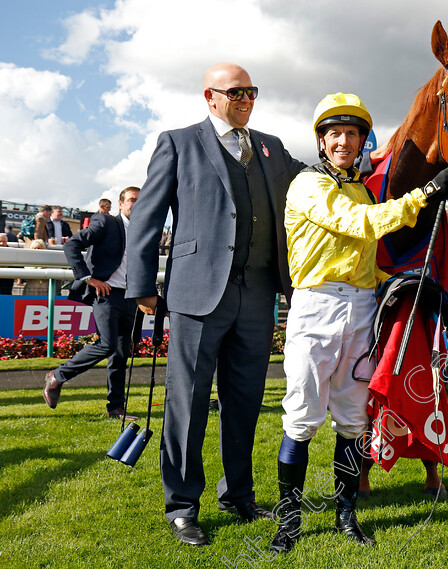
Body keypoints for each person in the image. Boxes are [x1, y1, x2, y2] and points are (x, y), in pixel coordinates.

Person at [271, 92, 448, 554]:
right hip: (315, 309)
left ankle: (345, 515)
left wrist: (401, 280)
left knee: (353, 420)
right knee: (301, 418)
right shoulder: (309, 186)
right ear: (321, 140)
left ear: (361, 142)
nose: (343, 142)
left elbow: (362, 258)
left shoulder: (357, 185)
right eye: (334, 133)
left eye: (351, 134)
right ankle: (289, 523)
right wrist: (428, 192)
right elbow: (362, 224)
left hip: (359, 308)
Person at [125, 62, 306, 547]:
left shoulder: (272, 147)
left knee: (244, 401)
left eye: (252, 91)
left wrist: (369, 163)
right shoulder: (178, 142)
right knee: (187, 404)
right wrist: (142, 281)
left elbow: (313, 184)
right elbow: (147, 214)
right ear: (210, 96)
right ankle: (182, 506)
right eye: (236, 92)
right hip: (196, 294)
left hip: (258, 293)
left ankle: (239, 495)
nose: (246, 99)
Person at [42, 187, 141, 419]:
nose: (136, 205)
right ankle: (57, 376)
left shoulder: (145, 230)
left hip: (131, 297)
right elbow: (72, 245)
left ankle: (115, 408)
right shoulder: (105, 221)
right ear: (120, 204)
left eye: (141, 201)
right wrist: (88, 278)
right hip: (106, 294)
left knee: (121, 353)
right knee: (107, 345)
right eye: (132, 201)